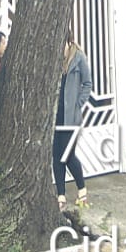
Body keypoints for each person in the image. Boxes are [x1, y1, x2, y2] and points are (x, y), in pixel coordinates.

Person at [54, 35, 93, 210]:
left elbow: (87, 83)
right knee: (56, 156)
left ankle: (82, 191)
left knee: (67, 155)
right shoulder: (54, 59)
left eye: (61, 43)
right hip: (56, 115)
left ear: (68, 42)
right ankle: (60, 195)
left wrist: (78, 104)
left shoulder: (79, 58)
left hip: (72, 117)